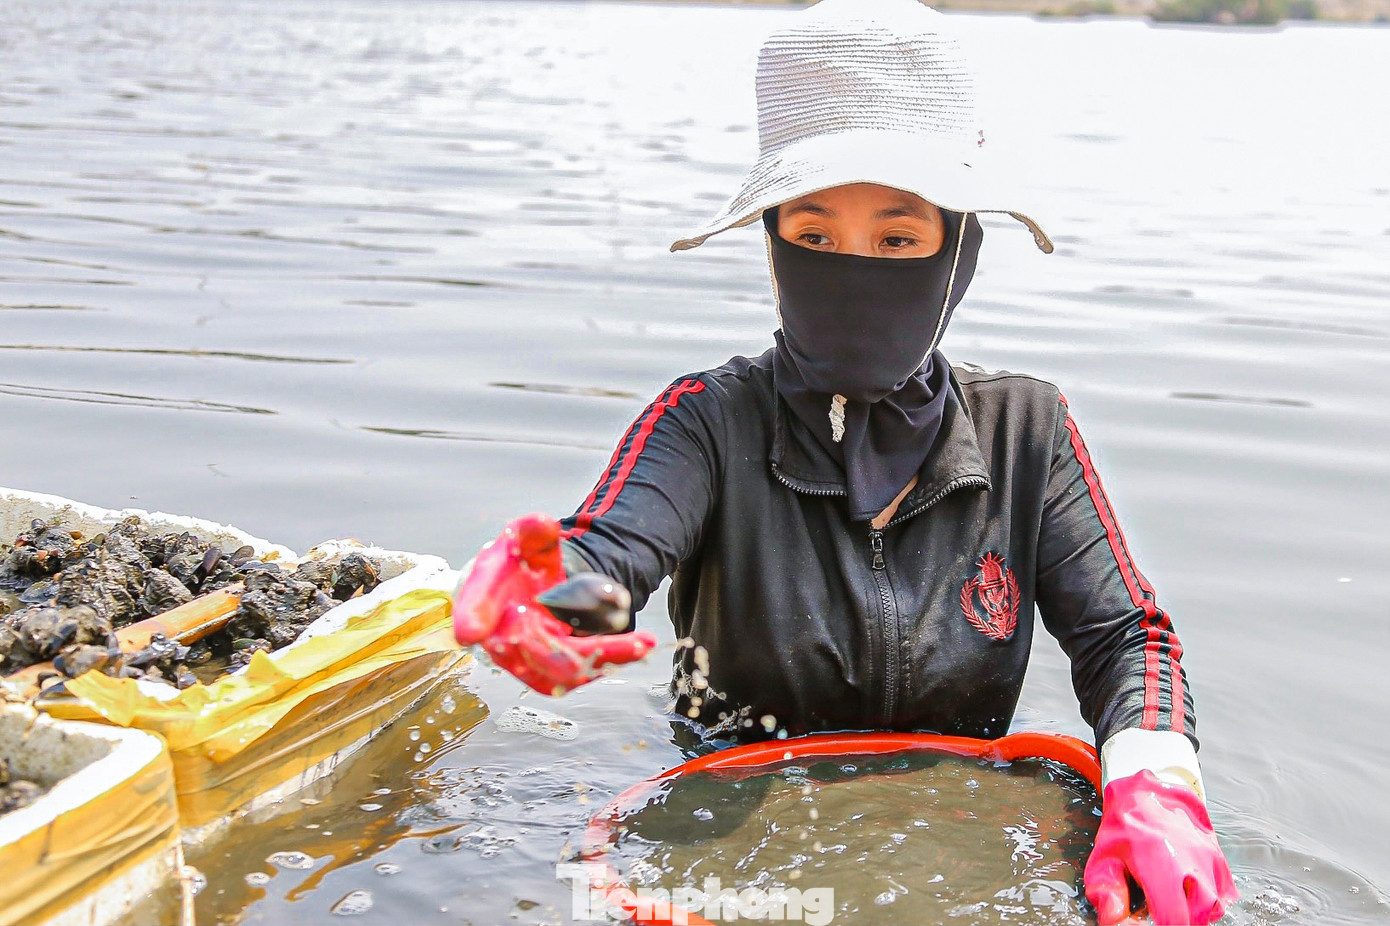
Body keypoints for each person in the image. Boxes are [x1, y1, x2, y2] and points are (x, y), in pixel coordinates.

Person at [452, 1, 1238, 923]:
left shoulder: (1029, 428)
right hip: (738, 844)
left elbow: (1125, 639)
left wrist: (1159, 784)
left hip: (953, 843)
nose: (854, 270)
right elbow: (608, 556)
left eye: (898, 240)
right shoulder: (706, 422)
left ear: (959, 254)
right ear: (774, 246)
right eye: (816, 237)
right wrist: (541, 595)